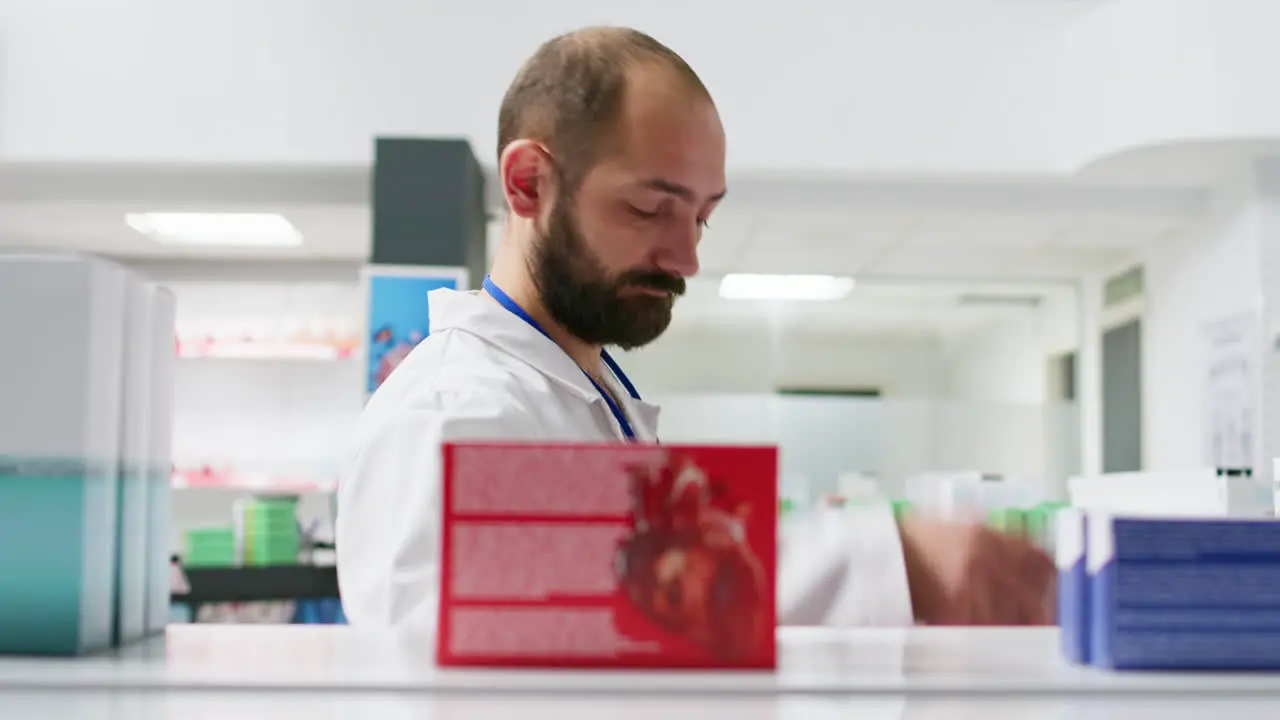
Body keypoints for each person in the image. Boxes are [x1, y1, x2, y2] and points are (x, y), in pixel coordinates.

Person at [337, 26, 1055, 630]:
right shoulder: (454, 415)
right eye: (651, 209)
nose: (687, 257)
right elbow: (494, 647)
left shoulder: (585, 393)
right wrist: (887, 564)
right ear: (528, 184)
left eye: (702, 216)